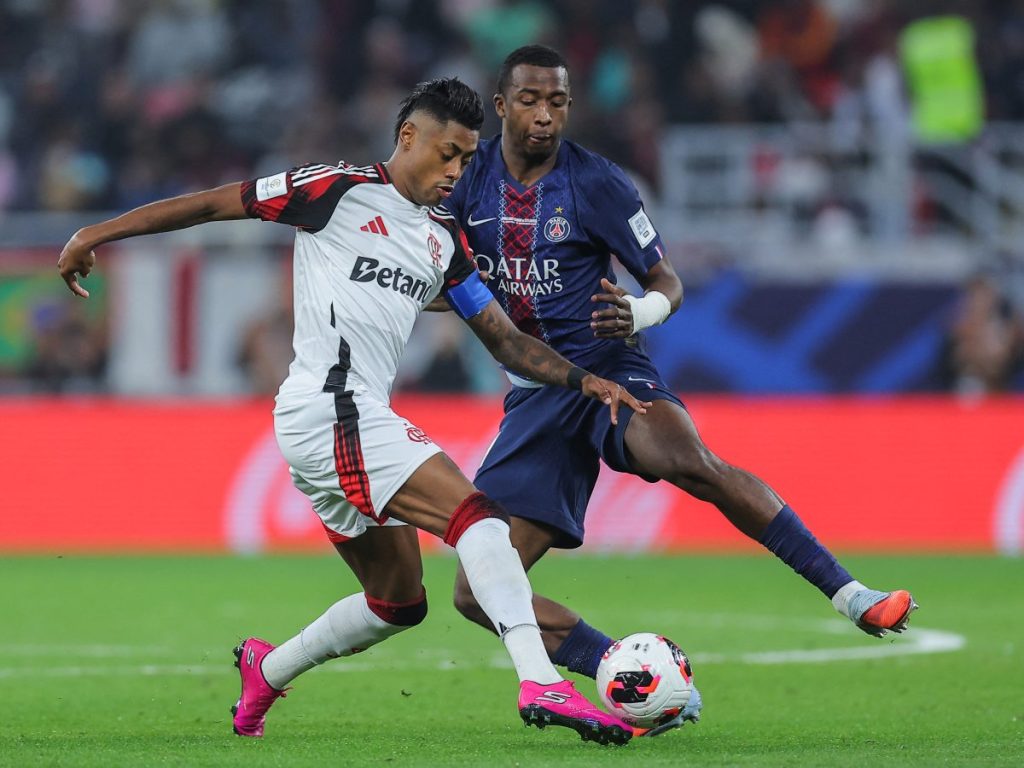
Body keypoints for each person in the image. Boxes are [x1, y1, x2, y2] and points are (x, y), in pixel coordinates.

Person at [57, 77, 649, 746]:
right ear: (408, 138)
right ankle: (542, 681)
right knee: (478, 521)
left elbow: (505, 339)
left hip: (340, 423)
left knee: (399, 603)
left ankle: (267, 668)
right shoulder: (332, 191)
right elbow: (211, 205)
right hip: (331, 407)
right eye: (447, 153)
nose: (455, 171)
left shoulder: (442, 240)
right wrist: (96, 233)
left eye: (465, 159)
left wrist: (583, 380)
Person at [440, 45, 918, 736]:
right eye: (530, 100)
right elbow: (439, 272)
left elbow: (668, 281)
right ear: (501, 103)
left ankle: (850, 593)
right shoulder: (465, 180)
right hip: (537, 392)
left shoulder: (597, 182)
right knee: (476, 591)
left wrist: (640, 311)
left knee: (689, 460)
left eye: (557, 102)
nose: (544, 116)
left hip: (609, 368)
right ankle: (624, 670)